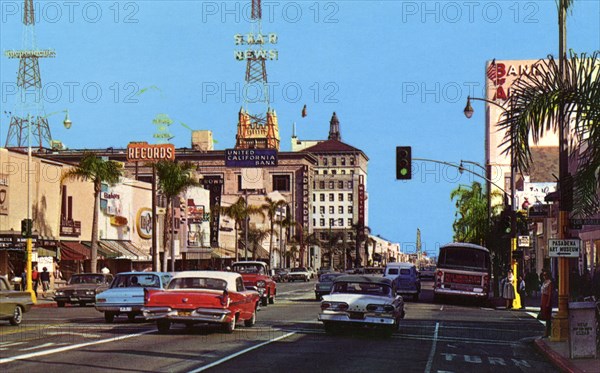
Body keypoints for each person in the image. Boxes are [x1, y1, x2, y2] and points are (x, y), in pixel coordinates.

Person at [539, 271, 553, 337]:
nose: (544, 276)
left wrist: (548, 302)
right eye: (543, 275)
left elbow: (550, 293)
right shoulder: (544, 282)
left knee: (548, 317)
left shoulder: (549, 283)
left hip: (547, 298)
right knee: (544, 315)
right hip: (543, 298)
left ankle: (547, 332)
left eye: (545, 275)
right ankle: (547, 332)